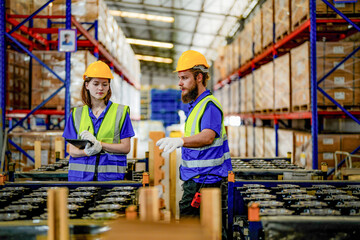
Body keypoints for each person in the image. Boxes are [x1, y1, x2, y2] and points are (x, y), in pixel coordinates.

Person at [156, 50, 232, 236]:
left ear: (199, 77)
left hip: (208, 183)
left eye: (184, 78)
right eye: (180, 78)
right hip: (197, 180)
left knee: (200, 232)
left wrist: (180, 141)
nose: (180, 83)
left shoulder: (209, 105)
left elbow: (207, 136)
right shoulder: (196, 105)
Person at [62, 60, 135, 181]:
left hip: (110, 179)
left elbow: (125, 147)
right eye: (95, 84)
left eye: (104, 84)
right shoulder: (76, 114)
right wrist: (88, 152)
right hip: (80, 179)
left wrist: (100, 145)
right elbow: (71, 150)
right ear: (87, 85)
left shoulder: (120, 113)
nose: (100, 88)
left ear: (109, 86)